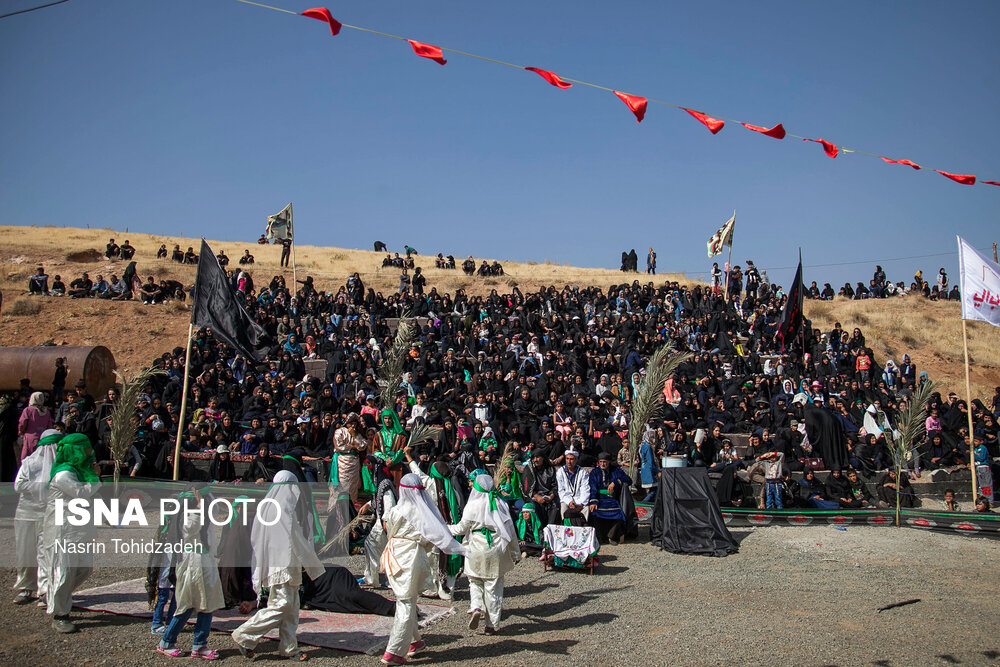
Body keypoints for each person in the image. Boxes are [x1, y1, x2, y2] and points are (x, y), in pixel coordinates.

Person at [232, 470, 325, 661]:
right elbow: (296, 540)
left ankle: (289, 648)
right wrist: (312, 562)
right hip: (281, 566)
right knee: (281, 605)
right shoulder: (281, 511)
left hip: (286, 565)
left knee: (291, 608)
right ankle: (244, 635)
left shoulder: (269, 508)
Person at [380, 473, 466, 665]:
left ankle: (411, 643)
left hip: (394, 554)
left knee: (405, 599)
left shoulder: (395, 510)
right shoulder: (422, 512)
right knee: (406, 601)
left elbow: (389, 531)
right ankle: (396, 650)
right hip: (412, 556)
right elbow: (431, 538)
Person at [42, 433, 102, 633]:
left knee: (84, 569)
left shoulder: (80, 471)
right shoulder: (64, 474)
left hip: (79, 530)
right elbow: (82, 493)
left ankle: (59, 596)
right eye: (85, 447)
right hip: (63, 531)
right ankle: (60, 614)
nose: (89, 451)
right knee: (64, 572)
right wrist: (96, 476)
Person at [156, 488, 224, 659]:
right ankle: (167, 641)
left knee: (206, 604)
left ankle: (199, 645)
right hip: (192, 564)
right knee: (187, 605)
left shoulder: (201, 512)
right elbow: (190, 529)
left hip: (203, 563)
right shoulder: (187, 515)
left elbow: (213, 511)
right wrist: (198, 509)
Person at [448, 474, 519, 636]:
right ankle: (491, 625)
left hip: (476, 548)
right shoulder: (500, 503)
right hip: (495, 549)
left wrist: (446, 528)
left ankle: (476, 606)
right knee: (493, 588)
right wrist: (515, 553)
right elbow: (510, 530)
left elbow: (460, 529)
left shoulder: (472, 506)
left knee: (474, 581)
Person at [12, 429, 61, 605]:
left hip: (48, 513)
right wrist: (40, 488)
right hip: (27, 512)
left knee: (45, 552)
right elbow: (18, 485)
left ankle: (45, 590)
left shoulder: (61, 466)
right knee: (25, 551)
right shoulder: (29, 463)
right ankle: (26, 587)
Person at [587, 451, 633, 544]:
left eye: (605, 462)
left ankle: (611, 535)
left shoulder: (616, 470)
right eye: (601, 462)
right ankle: (600, 537)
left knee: (619, 514)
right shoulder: (595, 472)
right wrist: (593, 501)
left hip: (612, 499)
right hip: (599, 498)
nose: (603, 464)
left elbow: (629, 480)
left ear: (609, 462)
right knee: (595, 512)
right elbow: (593, 488)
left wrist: (615, 482)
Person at [333, 413, 367, 502]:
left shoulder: (357, 433)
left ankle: (352, 505)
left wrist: (354, 435)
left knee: (353, 485)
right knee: (343, 484)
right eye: (351, 423)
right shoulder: (340, 431)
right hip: (343, 462)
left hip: (354, 462)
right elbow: (339, 447)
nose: (353, 425)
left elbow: (362, 446)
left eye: (355, 423)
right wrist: (353, 447)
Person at [18, 391, 53, 462]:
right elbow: (49, 427)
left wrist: (20, 432)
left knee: (26, 461)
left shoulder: (28, 410)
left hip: (29, 439)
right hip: (42, 440)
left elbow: (22, 423)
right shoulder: (47, 412)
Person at [556, 448, 590, 520]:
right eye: (567, 459)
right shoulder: (560, 472)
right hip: (567, 500)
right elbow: (561, 491)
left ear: (576, 460)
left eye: (571, 459)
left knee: (586, 509)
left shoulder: (582, 472)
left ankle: (583, 529)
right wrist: (570, 502)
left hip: (580, 500)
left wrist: (581, 504)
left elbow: (585, 489)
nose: (569, 462)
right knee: (563, 507)